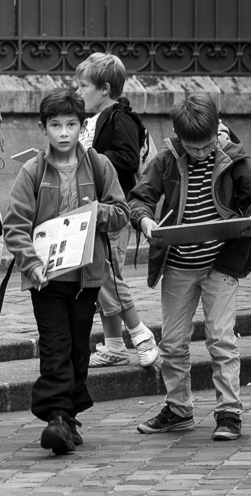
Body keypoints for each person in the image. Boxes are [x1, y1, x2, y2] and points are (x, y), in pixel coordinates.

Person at [4, 87, 129, 454]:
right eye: (55, 125)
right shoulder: (32, 171)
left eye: (71, 124)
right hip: (46, 278)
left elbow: (121, 212)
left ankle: (70, 415)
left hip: (85, 277)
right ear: (43, 128)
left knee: (78, 348)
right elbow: (15, 225)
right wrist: (31, 263)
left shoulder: (99, 165)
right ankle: (56, 417)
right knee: (55, 346)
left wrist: (96, 212)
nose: (63, 132)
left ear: (81, 126)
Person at [130, 93, 251, 441]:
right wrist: (145, 222)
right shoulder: (167, 160)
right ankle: (179, 409)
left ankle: (229, 412)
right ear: (177, 136)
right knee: (171, 342)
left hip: (220, 265)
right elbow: (141, 197)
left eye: (207, 145)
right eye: (192, 147)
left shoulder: (234, 159)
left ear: (218, 130)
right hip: (179, 265)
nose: (200, 153)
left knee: (221, 339)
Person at [75, 53, 160, 368]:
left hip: (112, 209)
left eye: (84, 86)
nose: (79, 92)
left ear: (105, 89)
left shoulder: (119, 118)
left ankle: (140, 334)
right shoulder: (94, 118)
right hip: (90, 210)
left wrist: (87, 156)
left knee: (108, 275)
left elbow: (126, 159)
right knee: (97, 277)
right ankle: (113, 345)